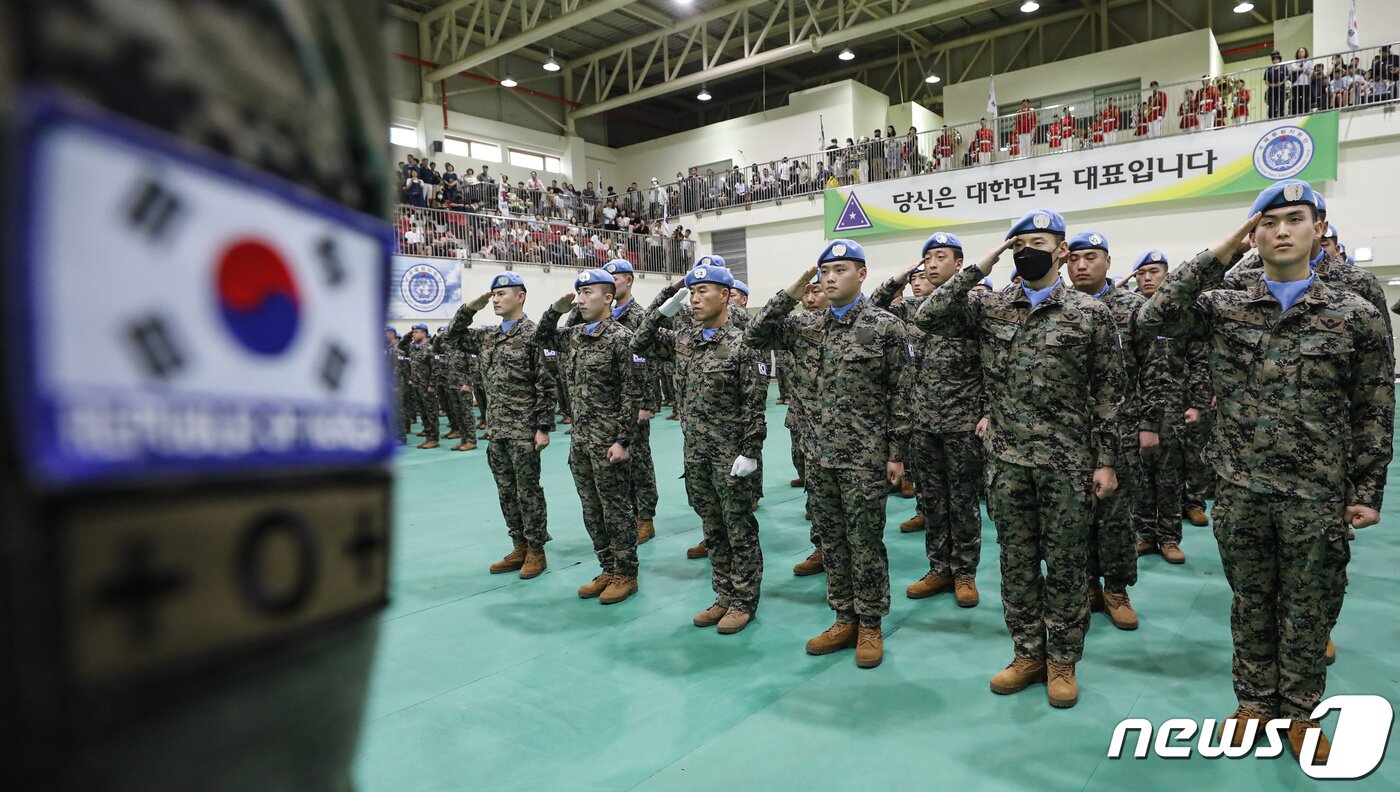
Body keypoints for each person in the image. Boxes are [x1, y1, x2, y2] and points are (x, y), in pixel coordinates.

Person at [1138, 180, 1393, 760]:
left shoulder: (1353, 312)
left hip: (1316, 489)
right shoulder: (1223, 303)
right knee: (1251, 598)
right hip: (1241, 483)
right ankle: (1253, 703)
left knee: (1309, 604)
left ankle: (1301, 713)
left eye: (1295, 219)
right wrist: (1225, 245)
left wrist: (1369, 487)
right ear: (1253, 233)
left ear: (1318, 228)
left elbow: (1374, 407)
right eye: (1267, 221)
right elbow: (1155, 313)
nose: (1281, 230)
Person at [917, 209, 1125, 709]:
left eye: (1039, 241)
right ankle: (1028, 653)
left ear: (1062, 251)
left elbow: (1109, 392)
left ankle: (1062, 662)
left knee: (1068, 566)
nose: (1027, 249)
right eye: (1020, 242)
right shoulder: (991, 307)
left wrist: (1106, 460)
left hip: (1068, 462)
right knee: (1016, 563)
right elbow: (928, 315)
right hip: (1007, 463)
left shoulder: (1090, 314)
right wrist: (983, 263)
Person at [747, 240, 910, 669]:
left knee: (865, 542)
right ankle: (843, 617)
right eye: (824, 271)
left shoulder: (885, 327)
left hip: (865, 457)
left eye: (840, 269)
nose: (830, 277)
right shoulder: (804, 325)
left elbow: (902, 395)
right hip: (818, 455)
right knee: (833, 542)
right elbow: (754, 333)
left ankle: (870, 623)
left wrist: (896, 452)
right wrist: (794, 286)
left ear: (862, 274)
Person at [633, 264, 767, 634]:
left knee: (738, 529)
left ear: (725, 295)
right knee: (713, 529)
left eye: (702, 291)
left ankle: (744, 600)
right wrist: (667, 303)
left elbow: (753, 405)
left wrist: (751, 452)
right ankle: (723, 595)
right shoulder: (684, 339)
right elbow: (639, 342)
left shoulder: (743, 343)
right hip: (697, 454)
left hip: (731, 455)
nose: (694, 299)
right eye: (691, 293)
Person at [874, 233, 984, 607]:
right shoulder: (910, 311)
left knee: (963, 502)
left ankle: (965, 573)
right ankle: (939, 568)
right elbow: (873, 306)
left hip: (963, 423)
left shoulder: (978, 306)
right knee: (933, 502)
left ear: (959, 263)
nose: (932, 264)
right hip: (923, 424)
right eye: (928, 258)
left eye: (941, 257)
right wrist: (898, 279)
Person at [534, 268, 644, 605]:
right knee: (591, 509)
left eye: (588, 293)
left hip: (608, 441)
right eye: (578, 293)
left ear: (608, 297)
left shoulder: (622, 338)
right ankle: (607, 567)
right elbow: (541, 336)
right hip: (580, 439)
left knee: (616, 509)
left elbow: (632, 392)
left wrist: (624, 440)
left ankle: (626, 573)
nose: (580, 299)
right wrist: (555, 309)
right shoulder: (574, 334)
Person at [447, 273, 556, 578]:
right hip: (496, 429)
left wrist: (543, 427)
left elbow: (546, 385)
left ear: (520, 296)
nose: (495, 299)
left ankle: (536, 550)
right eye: (493, 294)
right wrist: (470, 307)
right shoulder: (487, 335)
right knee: (506, 491)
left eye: (502, 294)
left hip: (524, 430)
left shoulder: (536, 335)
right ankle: (519, 544)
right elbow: (452, 338)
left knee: (528, 492)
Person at [1066, 232, 1149, 630]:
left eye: (1091, 258)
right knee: (1074, 515)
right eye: (1075, 259)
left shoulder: (1133, 309)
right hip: (1069, 433)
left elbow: (1156, 370)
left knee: (1115, 516)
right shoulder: (1059, 308)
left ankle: (1115, 589)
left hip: (1120, 431)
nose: (1082, 266)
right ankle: (1084, 585)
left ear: (1108, 261)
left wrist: (1150, 424)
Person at [1130, 250, 1190, 563]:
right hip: (1139, 407)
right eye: (1141, 273)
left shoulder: (1181, 313)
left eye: (1153, 271)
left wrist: (1194, 404)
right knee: (1140, 476)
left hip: (1174, 406)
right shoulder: (1133, 314)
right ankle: (1144, 533)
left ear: (1167, 274)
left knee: (1169, 477)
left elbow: (1198, 359)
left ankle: (1169, 538)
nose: (1147, 278)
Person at [600, 259, 661, 544]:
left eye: (616, 277)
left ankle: (645, 517)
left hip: (635, 401)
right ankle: (626, 514)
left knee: (640, 462)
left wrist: (647, 403)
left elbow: (647, 363)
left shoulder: (639, 316)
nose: (611, 282)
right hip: (610, 402)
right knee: (616, 462)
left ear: (629, 280)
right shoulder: (605, 315)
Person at [398, 324, 440, 448]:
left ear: (424, 333)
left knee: (431, 413)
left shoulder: (430, 348)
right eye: (413, 332)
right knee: (423, 413)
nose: (414, 334)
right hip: (417, 385)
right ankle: (428, 437)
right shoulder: (413, 348)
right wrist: (409, 334)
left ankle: (434, 439)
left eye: (416, 332)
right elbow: (400, 345)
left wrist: (432, 385)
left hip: (427, 386)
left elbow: (435, 369)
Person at [1290, 47, 1313, 117]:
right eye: (1299, 52)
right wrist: (1300, 69)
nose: (1300, 53)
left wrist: (1303, 70)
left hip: (1305, 83)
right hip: (1296, 84)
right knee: (1296, 99)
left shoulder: (1308, 61)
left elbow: (1311, 72)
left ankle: (1306, 113)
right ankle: (1297, 114)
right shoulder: (1294, 62)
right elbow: (1291, 70)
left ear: (1305, 53)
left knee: (1305, 98)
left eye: (1302, 52)